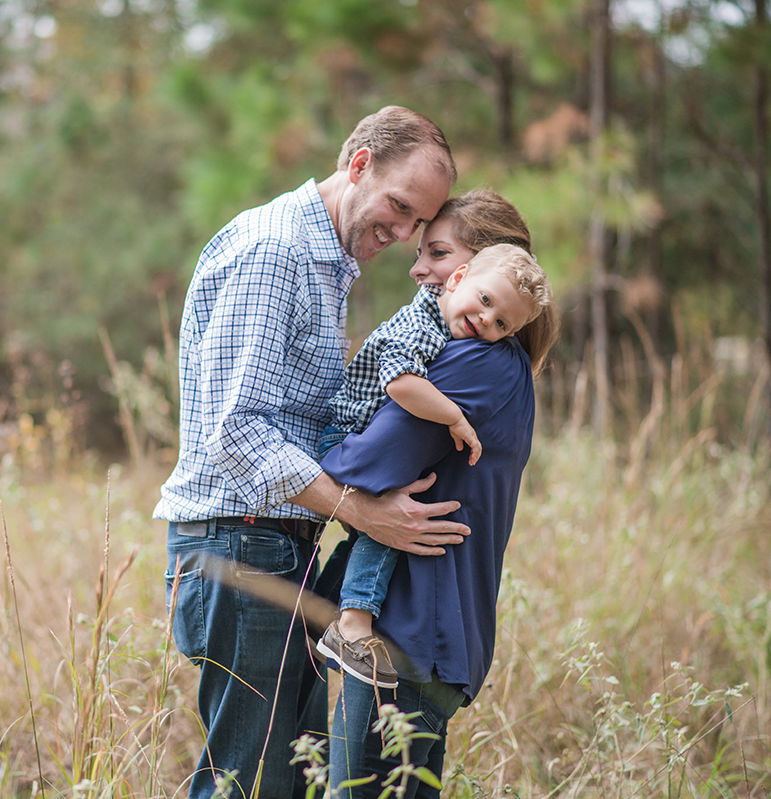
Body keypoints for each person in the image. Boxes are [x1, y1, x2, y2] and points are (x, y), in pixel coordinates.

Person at [155, 106, 468, 799]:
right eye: (397, 207)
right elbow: (235, 433)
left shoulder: (327, 263)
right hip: (239, 547)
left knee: (286, 779)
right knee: (253, 784)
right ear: (358, 164)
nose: (402, 234)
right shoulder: (279, 252)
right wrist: (365, 511)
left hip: (277, 545)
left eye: (418, 223)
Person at [320, 232, 561, 796]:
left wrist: (310, 464)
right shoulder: (505, 365)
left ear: (467, 266)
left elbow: (377, 459)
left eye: (438, 252)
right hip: (442, 635)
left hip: (410, 629)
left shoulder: (476, 360)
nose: (419, 271)